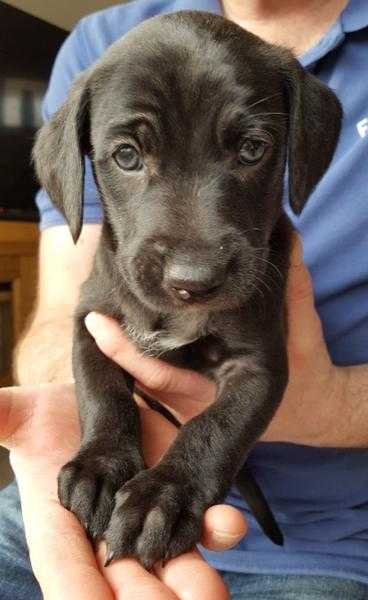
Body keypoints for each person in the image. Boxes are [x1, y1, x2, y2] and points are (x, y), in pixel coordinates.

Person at [0, 0, 367, 598]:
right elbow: (84, 327)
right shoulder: (106, 44)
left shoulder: (282, 84)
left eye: (249, 149)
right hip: (103, 487)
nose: (192, 264)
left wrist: (322, 410)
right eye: (128, 154)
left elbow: (255, 367)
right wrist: (101, 435)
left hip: (328, 538)